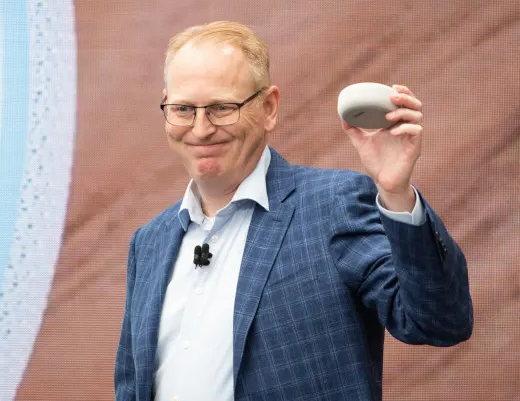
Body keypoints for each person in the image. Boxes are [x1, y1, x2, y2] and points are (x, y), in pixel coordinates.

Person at [114, 21, 473, 401]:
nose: (201, 129)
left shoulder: (332, 205)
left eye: (222, 107)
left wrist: (396, 194)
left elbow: (439, 323)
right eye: (183, 109)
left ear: (269, 108)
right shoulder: (149, 242)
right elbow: (131, 386)